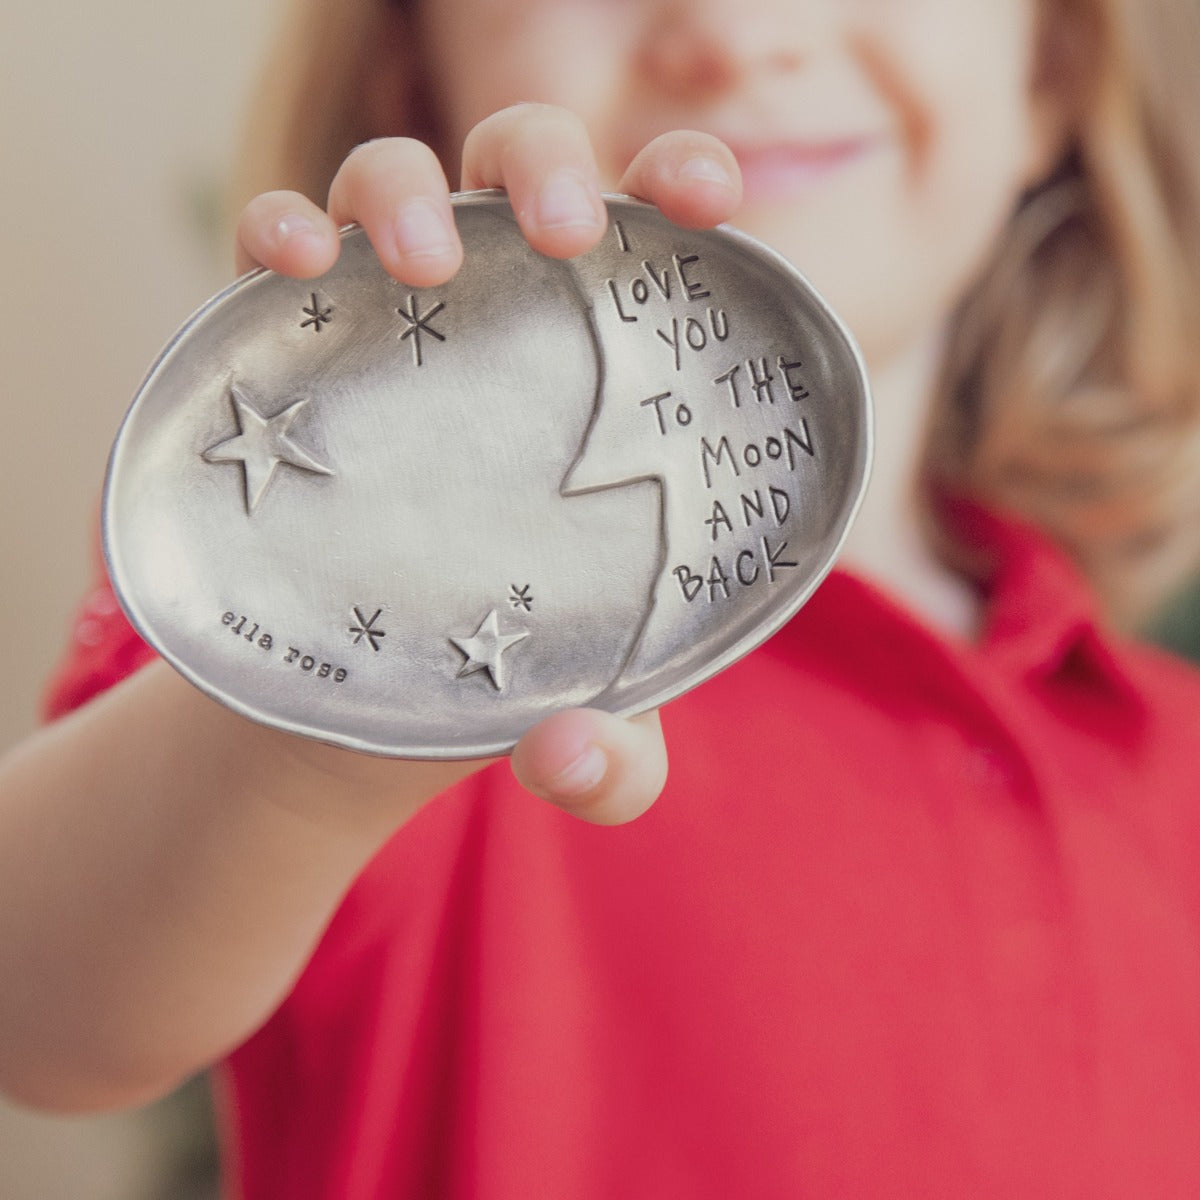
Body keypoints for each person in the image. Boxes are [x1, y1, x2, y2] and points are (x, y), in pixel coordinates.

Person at [4, 0, 1200, 1194]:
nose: (734, 34)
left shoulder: (1172, 755)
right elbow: (38, 1001)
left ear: (1050, 69)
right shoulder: (357, 631)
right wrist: (329, 726)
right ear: (405, 71)